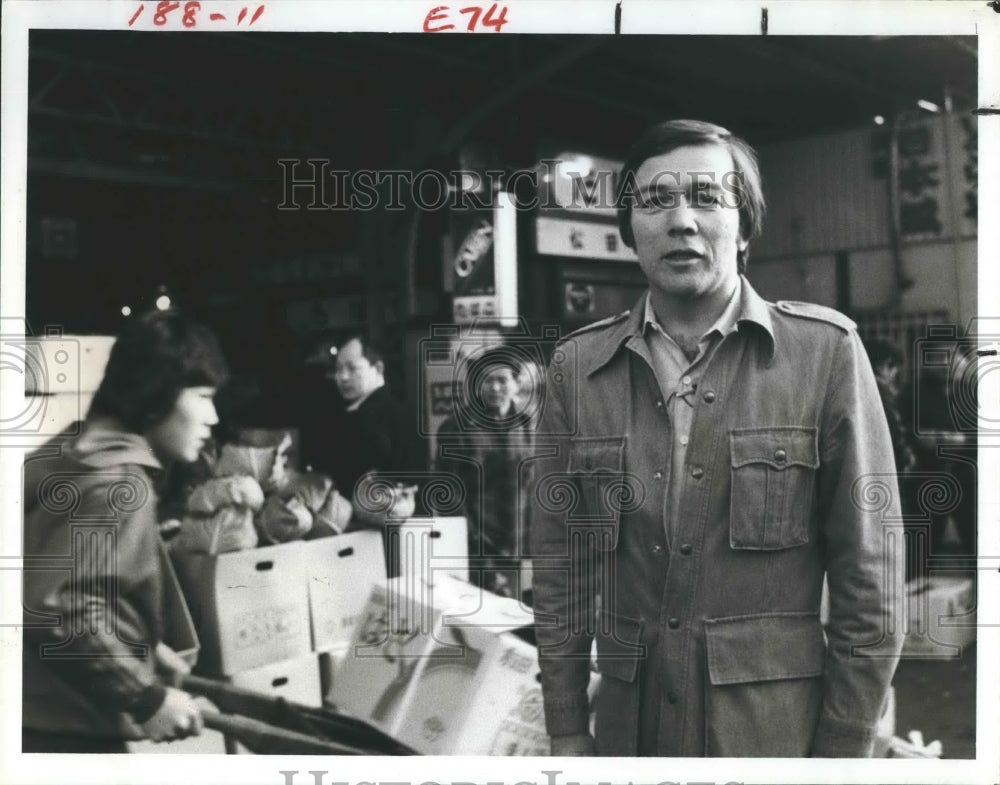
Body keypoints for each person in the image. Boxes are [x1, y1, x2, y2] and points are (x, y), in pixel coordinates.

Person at [529, 119, 904, 758]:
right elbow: (561, 565)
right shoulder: (577, 370)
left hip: (773, 736)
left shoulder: (825, 355)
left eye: (706, 196)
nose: (681, 220)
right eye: (655, 200)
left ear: (746, 223)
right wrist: (566, 723)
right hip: (630, 736)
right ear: (629, 231)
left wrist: (844, 744)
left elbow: (870, 577)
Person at [22, 308, 229, 752]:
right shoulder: (119, 484)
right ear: (156, 395)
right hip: (69, 726)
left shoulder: (69, 453)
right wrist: (145, 696)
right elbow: (63, 609)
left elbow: (65, 582)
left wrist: (145, 653)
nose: (213, 416)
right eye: (203, 395)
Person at [435, 346, 536, 597]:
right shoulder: (457, 428)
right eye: (487, 380)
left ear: (516, 383)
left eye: (502, 380)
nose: (495, 388)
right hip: (480, 550)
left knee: (524, 623)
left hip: (523, 547)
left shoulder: (528, 426)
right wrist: (474, 549)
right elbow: (449, 496)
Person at [302, 334, 425, 526]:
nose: (342, 377)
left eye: (352, 368)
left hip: (383, 525)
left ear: (378, 368)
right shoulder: (352, 413)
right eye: (338, 369)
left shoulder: (385, 415)